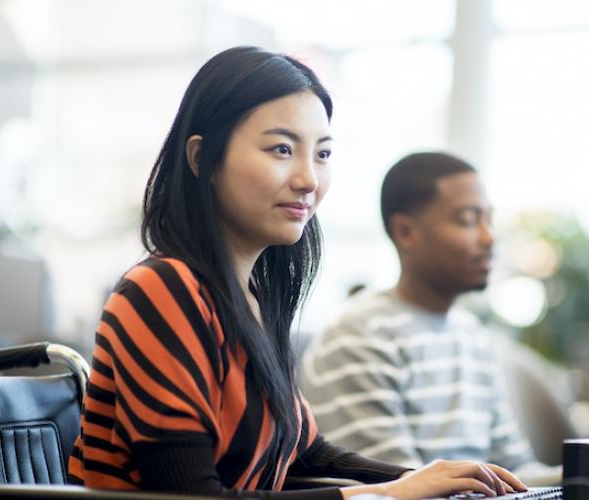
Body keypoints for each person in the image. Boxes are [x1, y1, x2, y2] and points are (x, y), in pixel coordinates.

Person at [68, 47, 527, 499]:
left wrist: (428, 480)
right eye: (282, 149)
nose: (309, 179)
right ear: (201, 159)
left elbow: (308, 453)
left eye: (322, 154)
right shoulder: (161, 291)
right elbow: (191, 497)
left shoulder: (251, 301)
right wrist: (387, 494)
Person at [300, 152, 558, 485]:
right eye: (467, 220)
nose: (489, 237)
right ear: (406, 232)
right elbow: (401, 488)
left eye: (489, 220)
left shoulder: (472, 335)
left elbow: (515, 472)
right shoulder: (360, 336)